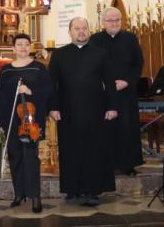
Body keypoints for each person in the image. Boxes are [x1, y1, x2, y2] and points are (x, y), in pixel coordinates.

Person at [48, 17, 118, 207]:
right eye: (77, 28)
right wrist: (53, 107)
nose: (81, 32)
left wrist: (112, 107)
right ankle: (72, 189)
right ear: (70, 32)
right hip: (67, 110)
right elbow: (52, 83)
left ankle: (93, 190)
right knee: (70, 150)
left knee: (94, 150)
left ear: (89, 31)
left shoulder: (101, 53)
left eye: (84, 28)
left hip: (96, 110)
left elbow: (110, 82)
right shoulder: (59, 55)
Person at [0, 33, 53, 212]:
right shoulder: (6, 70)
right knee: (15, 156)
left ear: (30, 47)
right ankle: (19, 193)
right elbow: (0, 95)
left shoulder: (39, 68)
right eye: (19, 44)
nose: (23, 47)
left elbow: (48, 91)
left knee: (30, 157)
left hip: (31, 121)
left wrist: (30, 90)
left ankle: (35, 196)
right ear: (13, 48)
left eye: (26, 44)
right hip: (10, 119)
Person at [89, 7, 144, 176]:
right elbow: (90, 64)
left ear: (121, 21)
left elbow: (138, 63)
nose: (114, 23)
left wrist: (126, 81)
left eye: (117, 20)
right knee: (105, 128)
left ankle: (128, 165)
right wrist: (105, 83)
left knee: (127, 126)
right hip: (103, 92)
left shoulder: (130, 38)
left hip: (125, 91)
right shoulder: (94, 40)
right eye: (110, 20)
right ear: (103, 22)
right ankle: (106, 165)